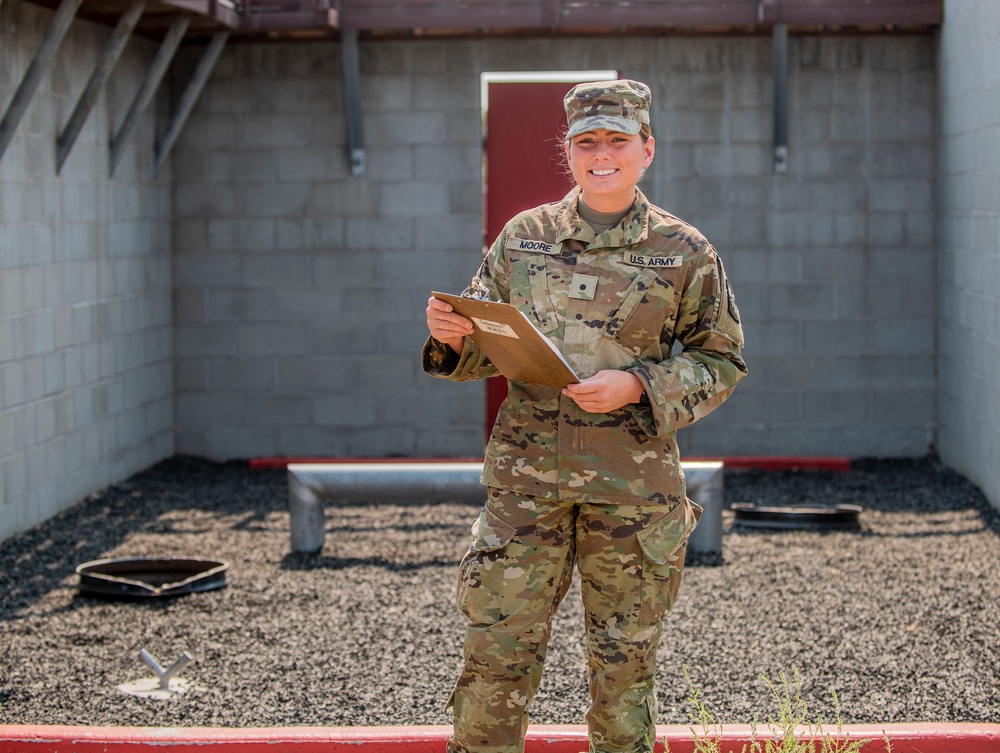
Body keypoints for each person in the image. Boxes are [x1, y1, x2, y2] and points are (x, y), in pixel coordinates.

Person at [422, 79, 747, 753]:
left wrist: (638, 384)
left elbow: (721, 362)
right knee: (494, 664)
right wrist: (452, 338)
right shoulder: (524, 239)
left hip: (632, 492)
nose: (603, 154)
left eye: (618, 141)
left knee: (623, 675)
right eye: (586, 142)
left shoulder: (684, 252)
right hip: (527, 485)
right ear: (567, 151)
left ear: (646, 149)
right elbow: (486, 345)